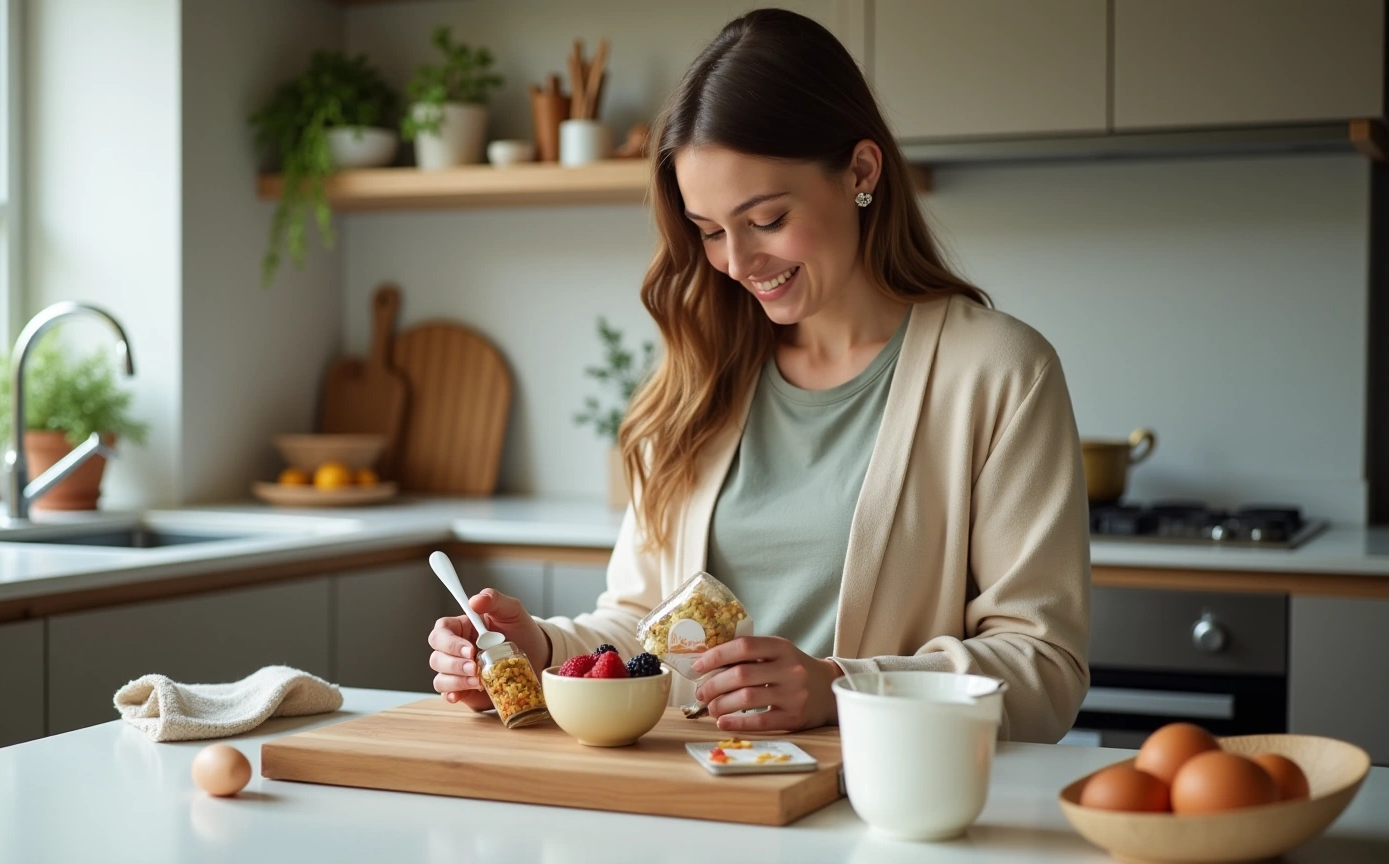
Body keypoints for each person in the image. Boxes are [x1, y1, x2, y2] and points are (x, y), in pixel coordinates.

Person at [427, 8, 1090, 744]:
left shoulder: (1000, 373)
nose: (738, 263)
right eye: (710, 231)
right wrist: (542, 649)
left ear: (862, 172)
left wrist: (841, 687)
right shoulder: (697, 377)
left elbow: (1045, 670)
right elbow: (645, 631)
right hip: (702, 807)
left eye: (766, 219)